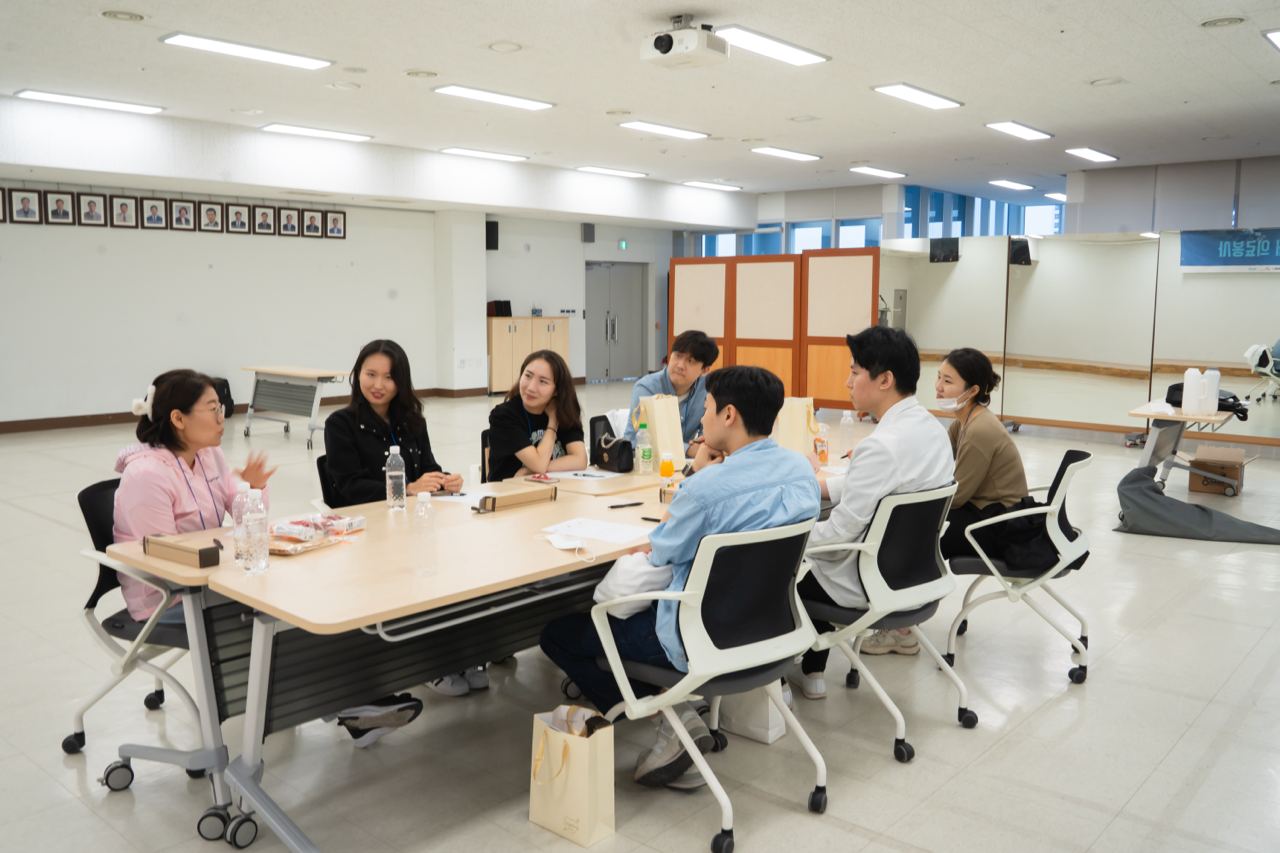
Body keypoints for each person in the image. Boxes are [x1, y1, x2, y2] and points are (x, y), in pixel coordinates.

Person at [540, 366, 819, 789]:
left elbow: (637, 576)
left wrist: (692, 486)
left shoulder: (706, 491)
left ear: (729, 415)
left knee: (562, 633)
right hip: (770, 626)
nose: (701, 419)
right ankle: (675, 710)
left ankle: (672, 721)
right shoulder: (801, 472)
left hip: (702, 637)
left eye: (706, 409)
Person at [112, 369, 424, 747]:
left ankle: (351, 703)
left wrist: (253, 489)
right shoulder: (146, 476)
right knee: (277, 615)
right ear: (178, 419)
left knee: (312, 597)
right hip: (168, 598)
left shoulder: (207, 457)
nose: (221, 415)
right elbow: (160, 561)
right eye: (211, 408)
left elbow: (246, 518)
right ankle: (347, 707)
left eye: (221, 406)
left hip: (217, 576)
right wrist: (236, 552)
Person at [794, 327, 955, 696]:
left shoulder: (882, 445)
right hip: (916, 572)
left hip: (871, 579)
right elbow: (878, 483)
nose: (846, 382)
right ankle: (812, 672)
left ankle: (786, 677)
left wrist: (791, 542)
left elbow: (838, 536)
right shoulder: (930, 429)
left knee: (786, 580)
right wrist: (820, 487)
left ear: (885, 380)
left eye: (854, 372)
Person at [934, 348, 1029, 560]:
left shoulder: (979, 430)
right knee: (917, 522)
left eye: (948, 381)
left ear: (972, 390)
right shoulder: (964, 421)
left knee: (919, 530)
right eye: (938, 377)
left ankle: (919, 586)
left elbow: (957, 497)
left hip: (1003, 525)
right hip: (985, 511)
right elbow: (934, 456)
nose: (938, 387)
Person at [486, 350, 587, 481]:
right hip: (510, 494)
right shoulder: (504, 415)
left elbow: (580, 460)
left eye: (543, 381)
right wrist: (553, 422)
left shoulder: (565, 411)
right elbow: (539, 465)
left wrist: (528, 470)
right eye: (528, 376)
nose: (531, 387)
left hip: (556, 490)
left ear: (556, 390)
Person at [623, 330, 719, 454]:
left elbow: (709, 434)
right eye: (678, 356)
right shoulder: (647, 388)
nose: (680, 365)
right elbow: (634, 440)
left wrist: (704, 445)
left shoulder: (708, 389)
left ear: (705, 370)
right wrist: (688, 449)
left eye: (690, 361)